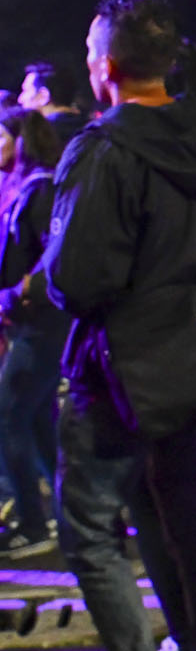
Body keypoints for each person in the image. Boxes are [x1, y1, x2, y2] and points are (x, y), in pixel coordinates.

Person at [44, 0, 196, 651]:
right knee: (186, 517)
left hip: (119, 368)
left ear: (105, 67)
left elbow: (76, 278)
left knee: (89, 531)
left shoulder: (106, 150)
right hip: (194, 356)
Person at [0, 108, 66, 556]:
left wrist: (19, 291)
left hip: (42, 324)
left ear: (21, 139)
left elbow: (53, 254)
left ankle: (32, 523)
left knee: (7, 418)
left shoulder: (41, 188)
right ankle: (68, 516)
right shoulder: (21, 186)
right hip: (29, 323)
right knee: (40, 422)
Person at [18, 61, 88, 148]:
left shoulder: (39, 134)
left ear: (43, 96)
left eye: (26, 90)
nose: (20, 99)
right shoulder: (90, 127)